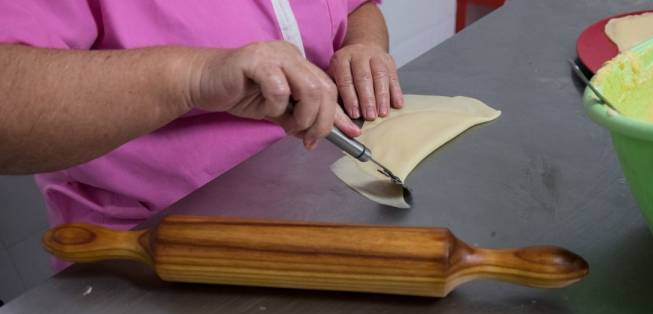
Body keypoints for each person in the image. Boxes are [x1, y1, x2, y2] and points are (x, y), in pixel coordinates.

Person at [0, 0, 403, 238]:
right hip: (155, 247)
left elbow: (357, 5)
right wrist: (194, 77)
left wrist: (363, 42)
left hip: (316, 200)